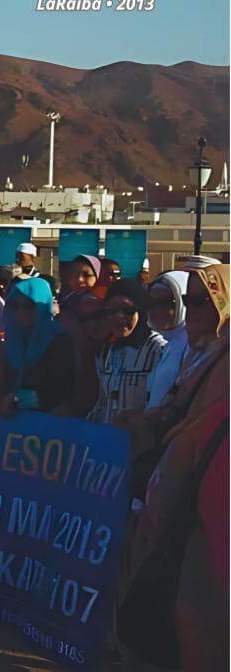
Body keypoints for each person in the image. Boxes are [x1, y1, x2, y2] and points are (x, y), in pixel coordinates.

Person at [124, 265, 229, 672]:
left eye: (204, 301)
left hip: (204, 491)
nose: (194, 309)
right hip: (179, 480)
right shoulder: (196, 350)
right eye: (191, 300)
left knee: (200, 610)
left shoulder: (224, 358)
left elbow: (208, 422)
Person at [87, 278, 167, 425]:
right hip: (106, 439)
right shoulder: (106, 352)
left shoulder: (158, 350)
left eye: (128, 311)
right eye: (111, 311)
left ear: (141, 311)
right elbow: (102, 403)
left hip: (136, 442)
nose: (119, 317)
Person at [0, 278, 77, 416]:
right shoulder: (13, 339)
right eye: (15, 306)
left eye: (29, 306)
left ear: (43, 305)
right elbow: (5, 384)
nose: (21, 311)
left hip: (46, 424)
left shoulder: (59, 341)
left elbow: (63, 391)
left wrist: (19, 400)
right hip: (13, 423)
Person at [145, 271, 190, 409]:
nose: (157, 310)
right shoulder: (155, 342)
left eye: (167, 303)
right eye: (151, 303)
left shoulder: (190, 346)